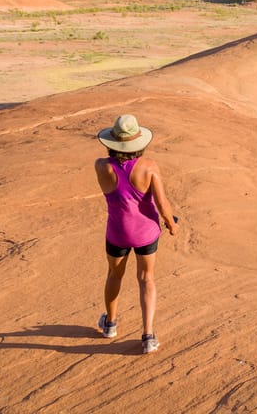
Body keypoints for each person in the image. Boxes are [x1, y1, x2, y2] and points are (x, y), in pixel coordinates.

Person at [94, 114, 178, 354]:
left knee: (114, 275)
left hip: (117, 233)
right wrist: (172, 225)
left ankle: (110, 324)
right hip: (146, 233)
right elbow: (162, 205)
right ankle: (148, 336)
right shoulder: (149, 166)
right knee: (146, 279)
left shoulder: (100, 166)